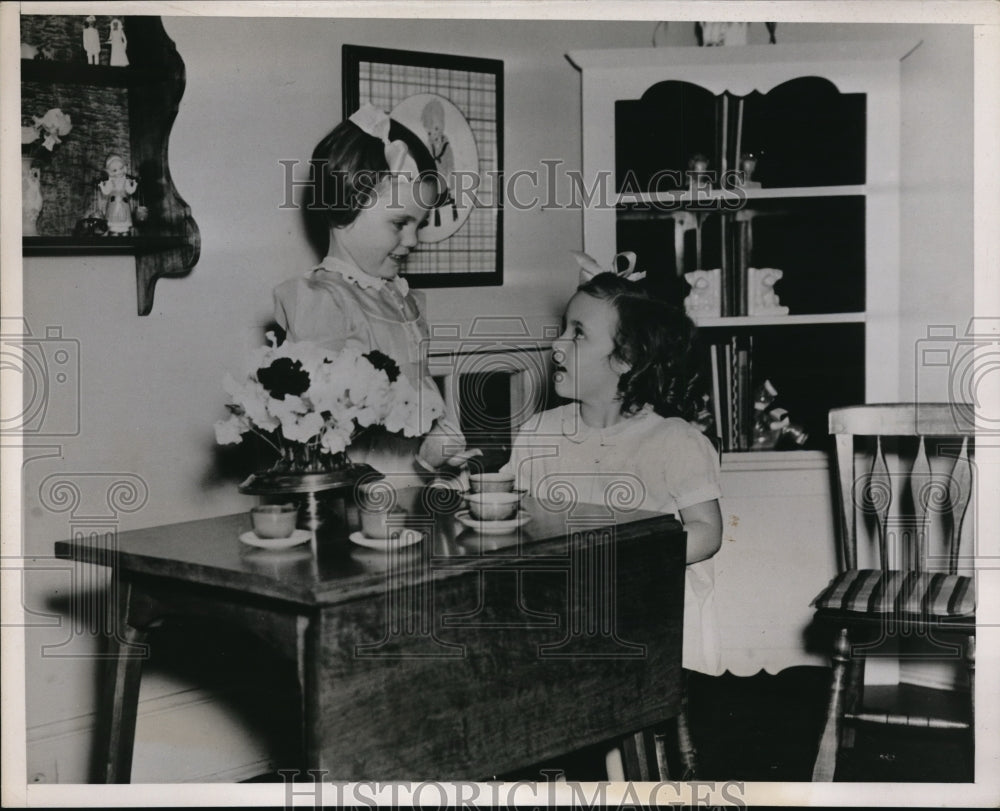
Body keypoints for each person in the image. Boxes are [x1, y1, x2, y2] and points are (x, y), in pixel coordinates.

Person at [501, 266, 724, 778]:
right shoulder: (540, 431)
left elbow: (706, 532)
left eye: (578, 333)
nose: (558, 345)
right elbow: (512, 505)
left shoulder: (674, 441)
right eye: (563, 328)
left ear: (626, 360)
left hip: (639, 618)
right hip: (558, 607)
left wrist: (628, 558)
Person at [273, 104, 474, 482]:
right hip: (361, 494)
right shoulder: (323, 300)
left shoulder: (397, 296)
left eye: (420, 224)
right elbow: (318, 434)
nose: (413, 240)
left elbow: (422, 395)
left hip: (413, 486)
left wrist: (438, 450)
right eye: (400, 223)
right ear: (345, 203)